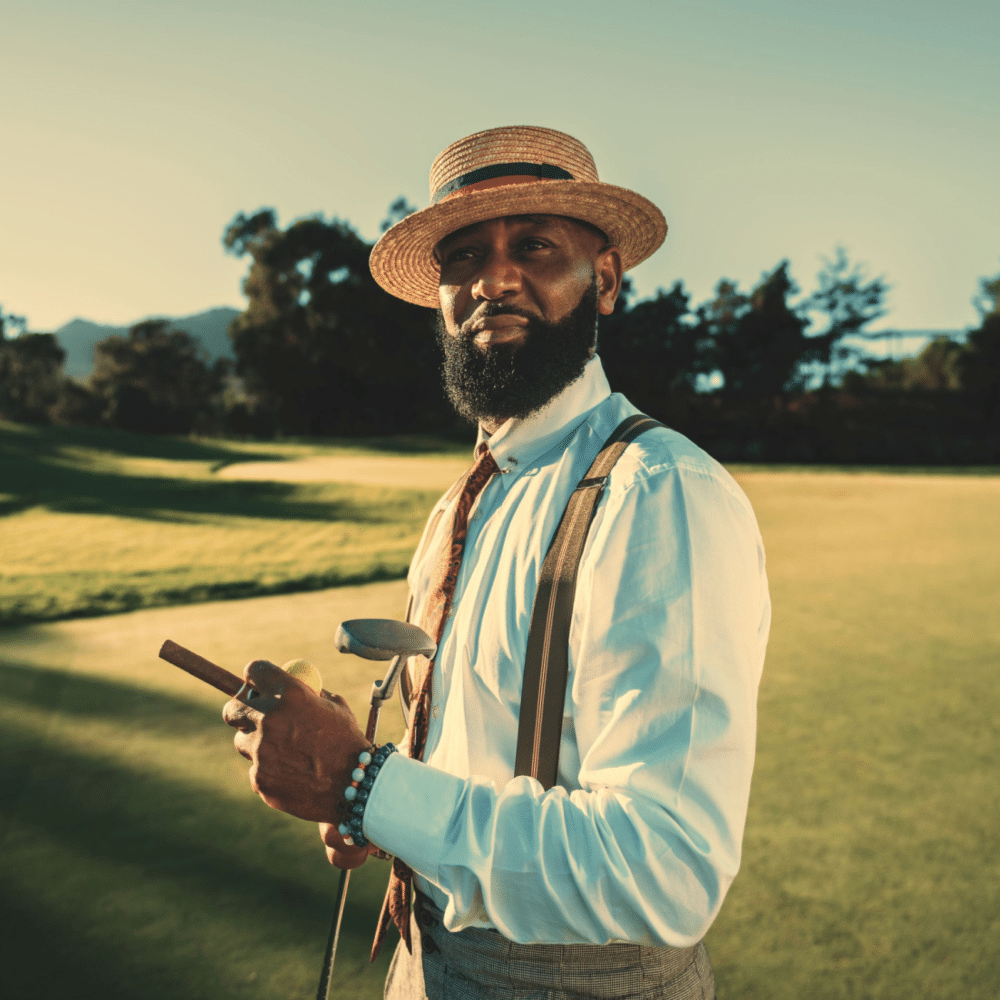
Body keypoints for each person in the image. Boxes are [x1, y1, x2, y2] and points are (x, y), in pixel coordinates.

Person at [224, 126, 770, 1000]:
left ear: (605, 280)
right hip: (421, 963)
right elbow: (468, 761)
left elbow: (666, 869)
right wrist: (379, 798)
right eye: (465, 255)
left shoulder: (659, 494)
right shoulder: (460, 505)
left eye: (536, 246)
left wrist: (366, 784)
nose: (493, 279)